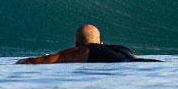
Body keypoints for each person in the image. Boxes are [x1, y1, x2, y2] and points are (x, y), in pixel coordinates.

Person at [16, 25, 158, 63]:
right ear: (100, 42)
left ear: (77, 44)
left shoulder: (82, 51)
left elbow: (34, 62)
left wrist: (21, 62)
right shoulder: (122, 49)